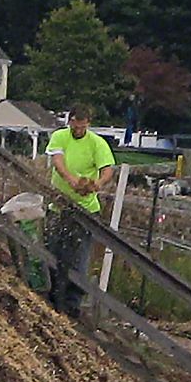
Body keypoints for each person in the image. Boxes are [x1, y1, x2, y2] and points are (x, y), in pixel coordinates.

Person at [45, 103, 115, 316]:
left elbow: (107, 169)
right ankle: (51, 295)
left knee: (78, 256)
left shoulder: (97, 143)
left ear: (88, 124)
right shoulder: (59, 137)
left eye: (82, 127)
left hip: (85, 209)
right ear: (70, 122)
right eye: (75, 126)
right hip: (59, 204)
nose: (79, 130)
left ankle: (72, 302)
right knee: (53, 250)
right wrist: (72, 180)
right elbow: (58, 162)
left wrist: (97, 184)